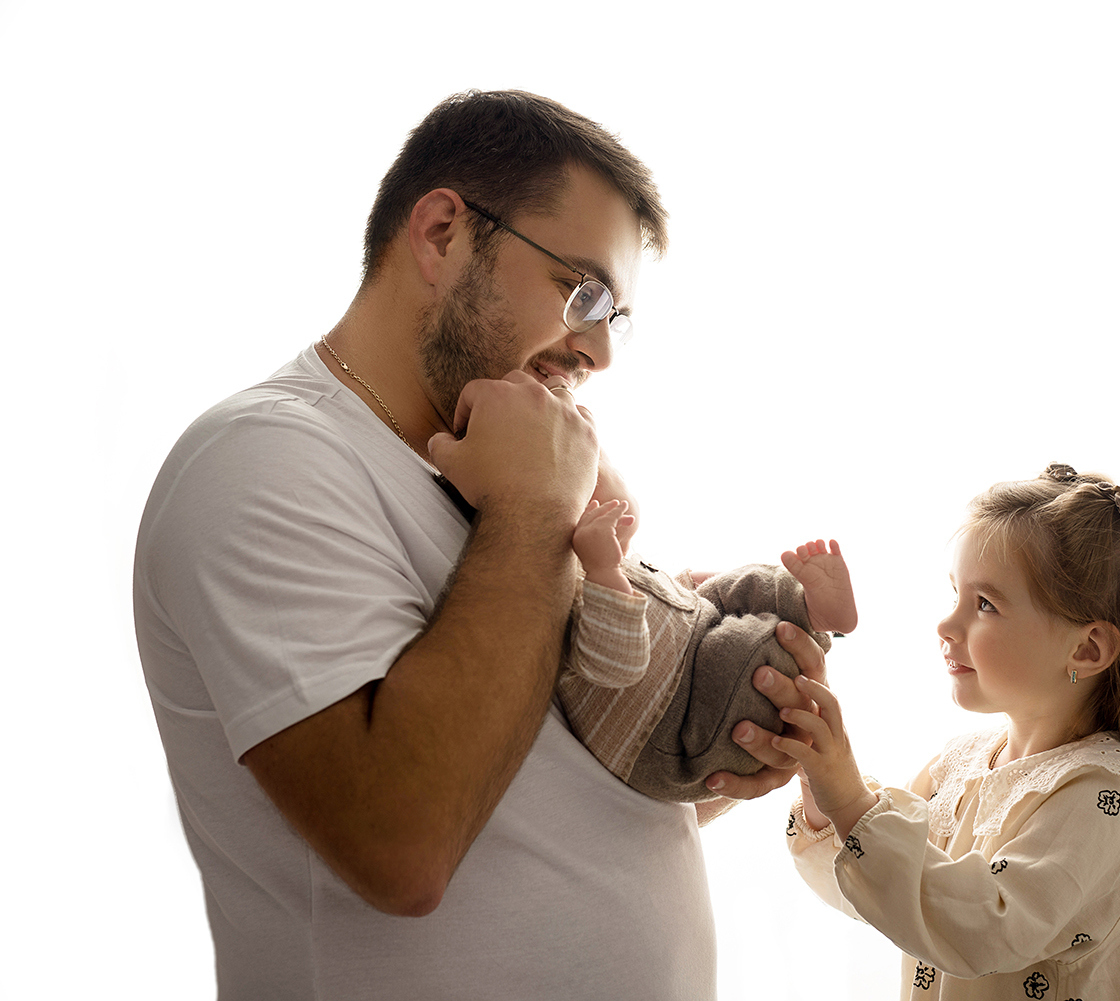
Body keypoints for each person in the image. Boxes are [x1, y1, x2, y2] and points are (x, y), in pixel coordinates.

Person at [132, 89, 802, 1001]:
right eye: (584, 291)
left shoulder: (502, 463)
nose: (599, 351)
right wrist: (535, 509)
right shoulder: (264, 460)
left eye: (617, 314)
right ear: (444, 232)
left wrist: (713, 754)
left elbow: (540, 790)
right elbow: (402, 844)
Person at [771, 465, 1120, 999]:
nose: (946, 625)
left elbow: (983, 929)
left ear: (1086, 650)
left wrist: (851, 800)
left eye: (985, 604)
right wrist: (822, 797)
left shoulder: (1110, 794)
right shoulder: (959, 765)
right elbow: (886, 891)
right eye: (955, 594)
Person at [562, 456, 858, 801]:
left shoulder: (628, 565)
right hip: (669, 731)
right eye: (592, 464)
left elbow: (679, 607)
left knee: (742, 582)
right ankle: (803, 625)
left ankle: (815, 613)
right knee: (736, 644)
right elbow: (617, 664)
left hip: (695, 672)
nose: (604, 466)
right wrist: (601, 568)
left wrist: (703, 589)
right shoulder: (569, 585)